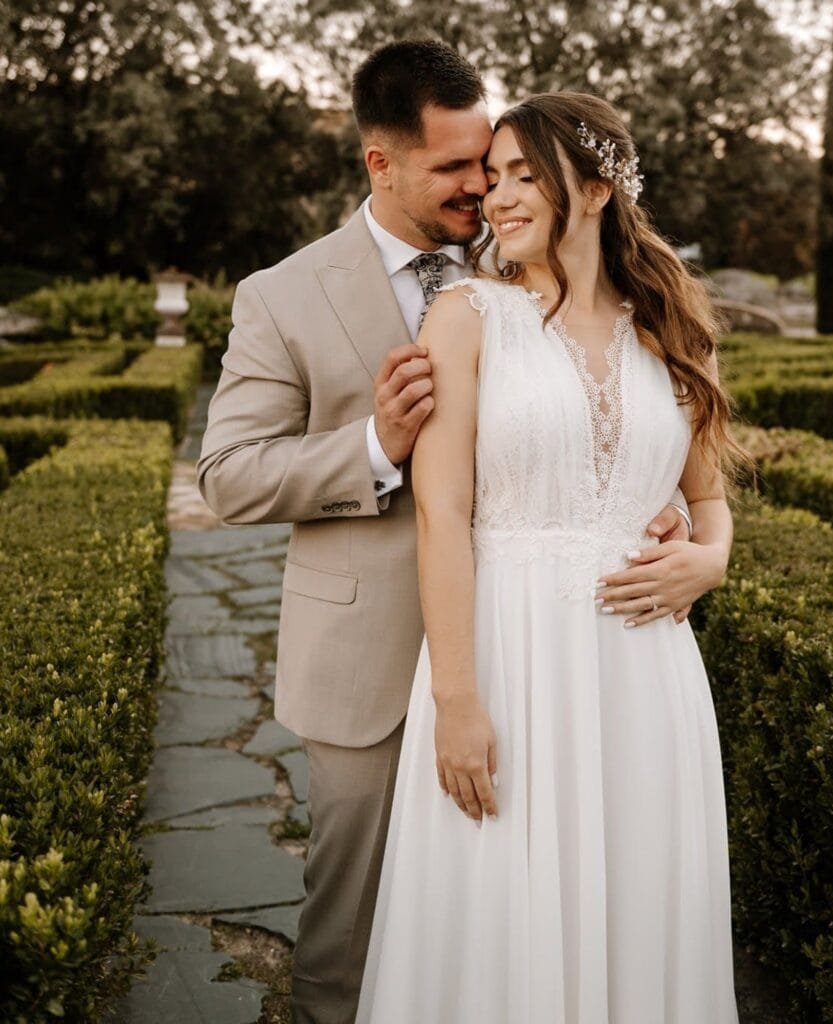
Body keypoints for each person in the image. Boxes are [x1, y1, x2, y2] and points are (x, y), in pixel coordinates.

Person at [197, 41, 697, 1024]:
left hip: (538, 650)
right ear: (379, 163)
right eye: (454, 167)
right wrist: (373, 443)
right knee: (349, 929)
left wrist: (645, 487)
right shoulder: (282, 295)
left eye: (490, 160)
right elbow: (225, 477)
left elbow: (607, 398)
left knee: (522, 904)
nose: (482, 185)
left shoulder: (522, 255)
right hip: (371, 658)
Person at [355, 91, 747, 1024]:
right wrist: (455, 699)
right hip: (510, 658)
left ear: (601, 187)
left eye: (526, 175)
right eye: (494, 178)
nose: (497, 197)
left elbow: (707, 499)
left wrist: (714, 558)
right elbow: (442, 511)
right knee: (502, 906)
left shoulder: (673, 326)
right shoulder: (467, 315)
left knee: (639, 897)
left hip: (646, 679)